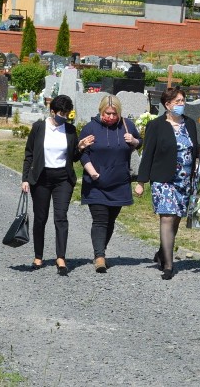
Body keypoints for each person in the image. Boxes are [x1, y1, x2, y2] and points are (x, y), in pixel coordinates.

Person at [134, 87, 200, 280]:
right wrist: (141, 181)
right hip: (163, 179)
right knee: (167, 218)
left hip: (184, 180)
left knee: (176, 218)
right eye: (177, 101)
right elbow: (148, 154)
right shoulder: (156, 125)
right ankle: (169, 265)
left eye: (183, 100)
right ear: (167, 105)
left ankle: (162, 252)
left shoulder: (190, 124)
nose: (181, 104)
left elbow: (192, 149)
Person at [22, 95, 91, 275]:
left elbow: (73, 157)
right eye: (62, 113)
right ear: (52, 111)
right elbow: (29, 153)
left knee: (61, 217)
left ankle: (61, 257)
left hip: (63, 179)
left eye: (67, 113)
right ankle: (38, 256)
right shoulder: (39, 127)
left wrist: (81, 147)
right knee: (40, 218)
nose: (65, 116)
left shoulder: (70, 129)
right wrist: (25, 178)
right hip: (41, 178)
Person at [79, 95, 141, 273]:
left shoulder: (127, 125)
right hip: (96, 182)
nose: (111, 117)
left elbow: (139, 143)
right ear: (101, 111)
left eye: (115, 114)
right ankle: (99, 257)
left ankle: (101, 251)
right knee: (100, 220)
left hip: (119, 182)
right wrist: (91, 170)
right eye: (108, 113)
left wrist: (134, 141)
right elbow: (82, 152)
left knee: (111, 220)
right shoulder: (91, 128)